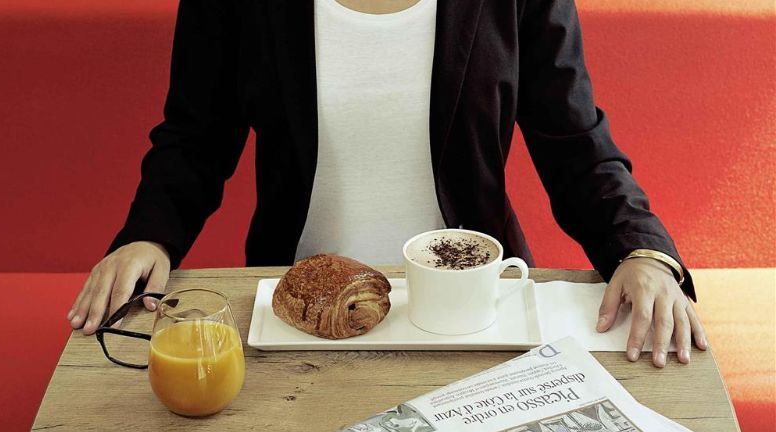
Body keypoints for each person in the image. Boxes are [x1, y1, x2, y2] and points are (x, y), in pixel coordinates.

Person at [67, 0, 707, 367]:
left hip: (473, 315)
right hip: (296, 320)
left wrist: (641, 250)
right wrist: (148, 236)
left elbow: (576, 142)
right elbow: (195, 136)